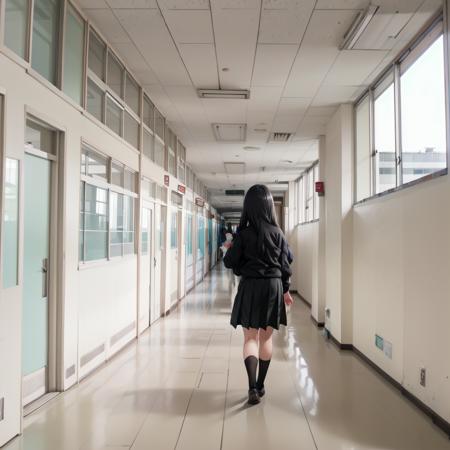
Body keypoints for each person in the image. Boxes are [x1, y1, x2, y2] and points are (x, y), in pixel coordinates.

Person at [223, 184, 293, 405]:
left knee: (250, 338)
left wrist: (231, 247)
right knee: (266, 337)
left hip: (251, 286)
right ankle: (261, 385)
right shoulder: (278, 233)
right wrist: (286, 290)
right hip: (273, 287)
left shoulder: (243, 234)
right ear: (269, 207)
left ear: (248, 208)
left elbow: (229, 262)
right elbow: (286, 264)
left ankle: (251, 386)